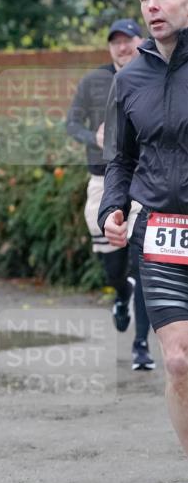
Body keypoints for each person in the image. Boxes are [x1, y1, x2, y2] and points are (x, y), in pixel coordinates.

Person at [98, 0, 188, 483]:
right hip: (159, 233)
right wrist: (113, 207)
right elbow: (122, 159)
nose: (151, 6)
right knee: (178, 362)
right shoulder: (129, 77)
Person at [66, 19, 152, 369]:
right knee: (114, 265)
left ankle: (141, 346)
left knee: (142, 263)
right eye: (115, 42)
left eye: (128, 41)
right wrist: (96, 138)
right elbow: (72, 124)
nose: (122, 47)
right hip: (102, 180)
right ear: (110, 48)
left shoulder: (154, 76)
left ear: (139, 41)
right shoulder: (93, 81)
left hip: (144, 184)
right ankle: (120, 294)